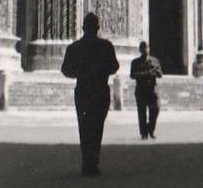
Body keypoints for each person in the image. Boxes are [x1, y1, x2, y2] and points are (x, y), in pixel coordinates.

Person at [61, 12, 119, 176]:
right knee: (97, 126)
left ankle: (88, 161)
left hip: (83, 90)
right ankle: (92, 160)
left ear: (83, 28)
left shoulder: (74, 48)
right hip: (100, 89)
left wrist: (82, 73)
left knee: (84, 126)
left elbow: (66, 70)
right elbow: (114, 67)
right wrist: (99, 71)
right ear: (98, 28)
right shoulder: (106, 46)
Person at [130, 41, 162, 140]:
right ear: (140, 50)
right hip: (141, 89)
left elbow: (160, 73)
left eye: (147, 48)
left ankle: (150, 128)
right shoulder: (135, 62)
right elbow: (132, 75)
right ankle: (144, 133)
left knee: (156, 109)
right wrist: (147, 73)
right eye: (143, 48)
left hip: (153, 89)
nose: (145, 50)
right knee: (142, 112)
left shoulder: (155, 61)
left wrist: (156, 72)